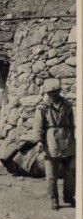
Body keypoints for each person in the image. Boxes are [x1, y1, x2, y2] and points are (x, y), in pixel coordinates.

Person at [33, 79, 76, 210]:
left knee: (70, 172)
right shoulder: (42, 107)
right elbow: (38, 126)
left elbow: (72, 124)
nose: (55, 94)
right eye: (51, 92)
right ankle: (53, 199)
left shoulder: (67, 105)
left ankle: (69, 197)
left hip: (67, 141)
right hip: (51, 142)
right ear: (47, 93)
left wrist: (74, 140)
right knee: (52, 174)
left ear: (59, 91)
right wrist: (39, 141)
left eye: (56, 91)